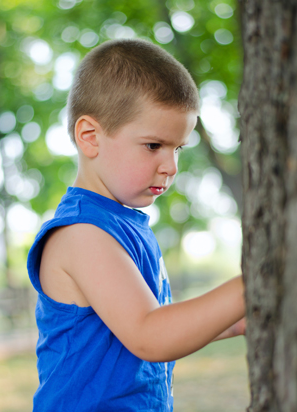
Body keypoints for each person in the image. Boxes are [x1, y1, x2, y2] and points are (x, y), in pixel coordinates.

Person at [27, 39, 245, 412]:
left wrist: (237, 320)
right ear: (90, 137)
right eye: (153, 145)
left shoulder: (125, 226)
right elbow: (149, 334)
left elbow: (155, 329)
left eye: (177, 148)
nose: (171, 166)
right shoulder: (82, 234)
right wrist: (259, 279)